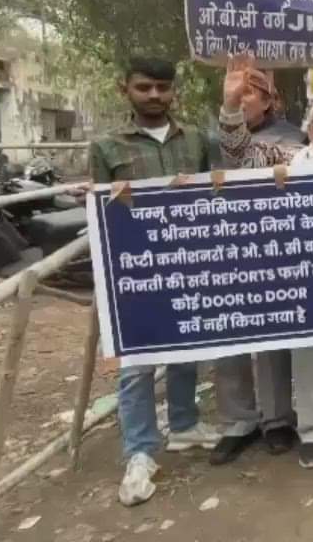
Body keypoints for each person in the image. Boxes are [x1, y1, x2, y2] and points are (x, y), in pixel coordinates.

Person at [217, 64, 313, 469]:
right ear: (311, 126)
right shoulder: (284, 159)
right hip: (304, 280)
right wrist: (232, 103)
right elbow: (236, 151)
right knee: (310, 354)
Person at [88, 56, 221, 507]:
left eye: (162, 88)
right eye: (144, 87)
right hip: (136, 274)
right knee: (136, 366)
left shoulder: (198, 139)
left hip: (188, 264)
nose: (154, 96)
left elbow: (215, 194)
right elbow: (100, 214)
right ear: (124, 87)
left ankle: (184, 424)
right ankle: (141, 450)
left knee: (187, 348)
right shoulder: (106, 146)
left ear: (173, 91)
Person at [210, 68, 303, 465]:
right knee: (228, 337)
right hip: (223, 251)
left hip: (272, 251)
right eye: (235, 93)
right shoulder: (211, 138)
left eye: (250, 93)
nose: (241, 98)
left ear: (269, 101)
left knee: (272, 340)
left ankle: (277, 419)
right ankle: (238, 422)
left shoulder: (292, 141)